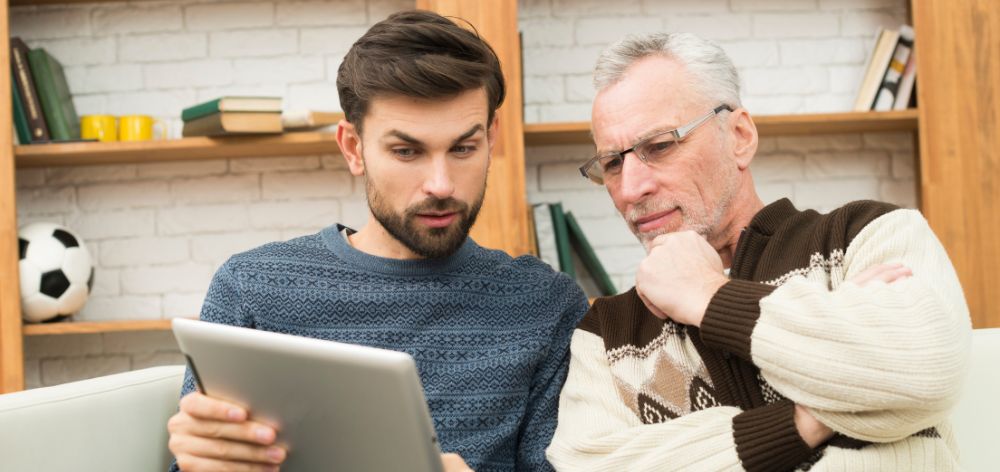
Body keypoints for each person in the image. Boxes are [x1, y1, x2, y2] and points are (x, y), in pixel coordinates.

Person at [166, 10, 588, 472]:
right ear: (353, 148)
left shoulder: (547, 304)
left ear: (491, 138)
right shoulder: (252, 288)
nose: (441, 184)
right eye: (407, 151)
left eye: (463, 148)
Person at [546, 32, 971, 471]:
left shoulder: (868, 234)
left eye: (660, 146)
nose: (631, 188)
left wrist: (709, 297)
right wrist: (807, 415)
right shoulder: (606, 332)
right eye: (613, 163)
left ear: (740, 136)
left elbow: (925, 372)